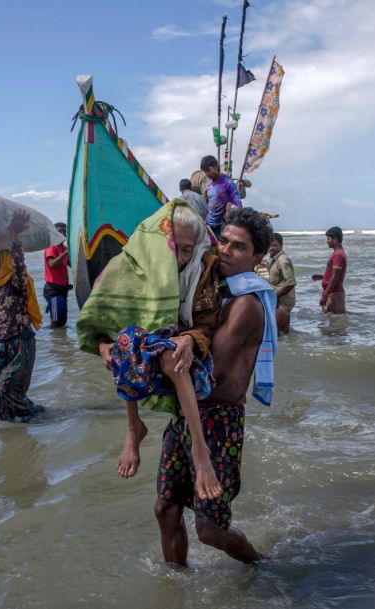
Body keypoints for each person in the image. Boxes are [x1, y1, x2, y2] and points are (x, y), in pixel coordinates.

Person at [152, 207, 277, 566]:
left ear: (258, 257)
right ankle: (176, 586)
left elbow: (207, 371)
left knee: (210, 529)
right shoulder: (209, 290)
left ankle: (262, 566)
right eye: (222, 240)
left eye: (239, 247)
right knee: (165, 508)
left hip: (218, 422)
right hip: (187, 412)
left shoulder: (246, 305)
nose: (224, 250)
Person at [77, 200, 223, 500]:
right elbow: (101, 316)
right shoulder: (130, 264)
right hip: (144, 347)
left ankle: (200, 449)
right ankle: (133, 428)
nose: (182, 257)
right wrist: (102, 344)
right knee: (123, 342)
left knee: (171, 358)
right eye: (175, 247)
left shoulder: (203, 267)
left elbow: (208, 321)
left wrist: (189, 339)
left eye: (187, 249)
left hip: (182, 352)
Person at [0, 209, 46, 421]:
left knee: (1, 395)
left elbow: (18, 265)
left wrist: (14, 235)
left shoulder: (15, 282)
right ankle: (22, 431)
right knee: (12, 397)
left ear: (1, 261)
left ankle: (9, 428)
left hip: (19, 345)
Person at [201, 155, 242, 239]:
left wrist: (229, 214)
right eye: (205, 171)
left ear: (216, 166)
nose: (207, 174)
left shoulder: (228, 183)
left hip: (222, 227)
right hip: (209, 226)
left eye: (208, 170)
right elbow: (209, 205)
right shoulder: (209, 185)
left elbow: (238, 205)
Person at [310, 226, 347, 314]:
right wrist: (322, 277)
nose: (326, 241)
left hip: (335, 293)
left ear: (335, 239)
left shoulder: (338, 255)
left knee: (336, 323)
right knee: (329, 323)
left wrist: (325, 295)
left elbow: (335, 277)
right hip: (332, 293)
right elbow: (334, 274)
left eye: (328, 239)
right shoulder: (336, 253)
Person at [43, 222, 72, 329]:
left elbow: (71, 264)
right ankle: (52, 343)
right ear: (54, 233)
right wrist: (65, 254)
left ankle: (60, 344)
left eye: (64, 231)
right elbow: (52, 264)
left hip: (62, 290)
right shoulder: (52, 246)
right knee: (55, 321)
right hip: (53, 291)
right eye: (60, 231)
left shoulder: (63, 248)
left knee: (63, 321)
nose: (62, 233)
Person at [267, 233, 296, 334]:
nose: (271, 248)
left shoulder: (283, 260)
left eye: (274, 245)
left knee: (279, 334)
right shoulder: (274, 259)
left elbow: (291, 283)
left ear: (281, 246)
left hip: (283, 302)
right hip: (279, 301)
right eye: (270, 245)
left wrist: (274, 296)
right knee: (284, 334)